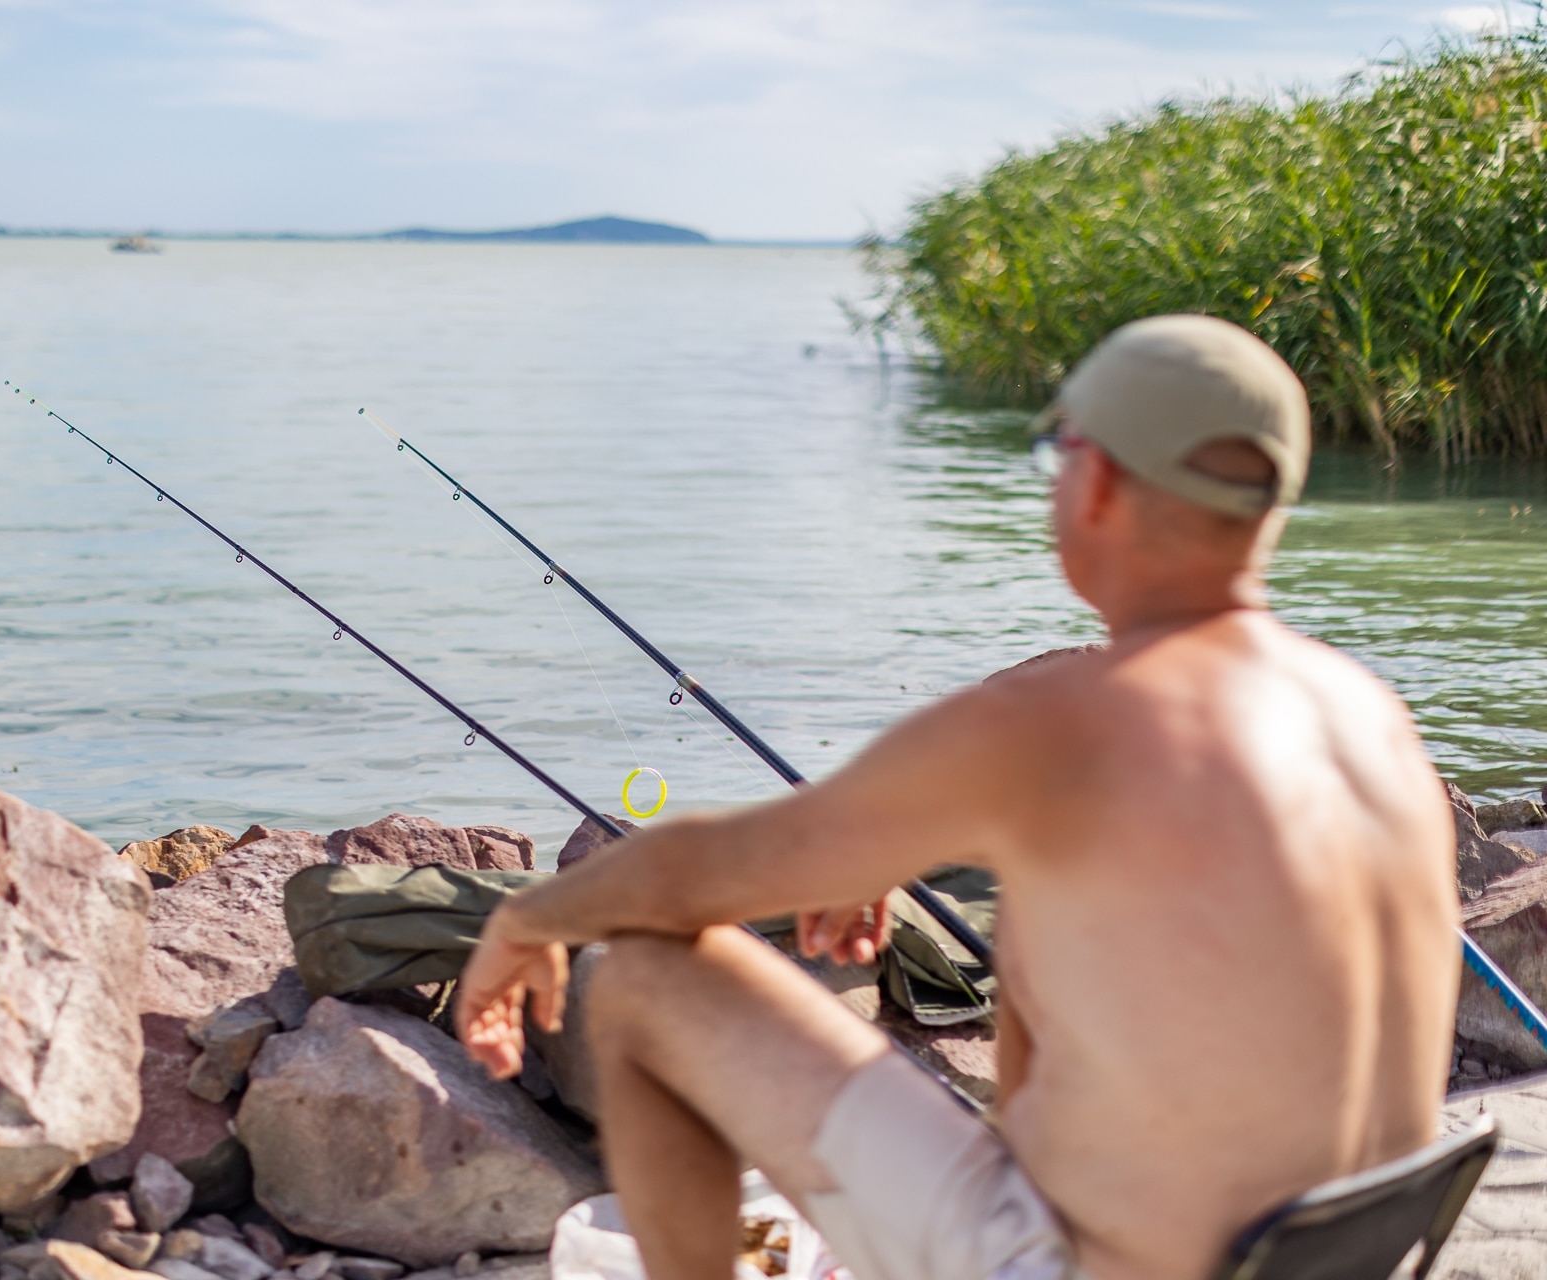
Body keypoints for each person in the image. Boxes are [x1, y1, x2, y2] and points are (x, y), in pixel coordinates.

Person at [454, 315, 1461, 1280]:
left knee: (642, 974)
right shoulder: (1368, 717)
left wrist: (531, 916)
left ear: (1099, 478)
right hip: (1328, 1254)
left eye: (1059, 454)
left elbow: (688, 873)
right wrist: (890, 844)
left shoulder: (1062, 717)